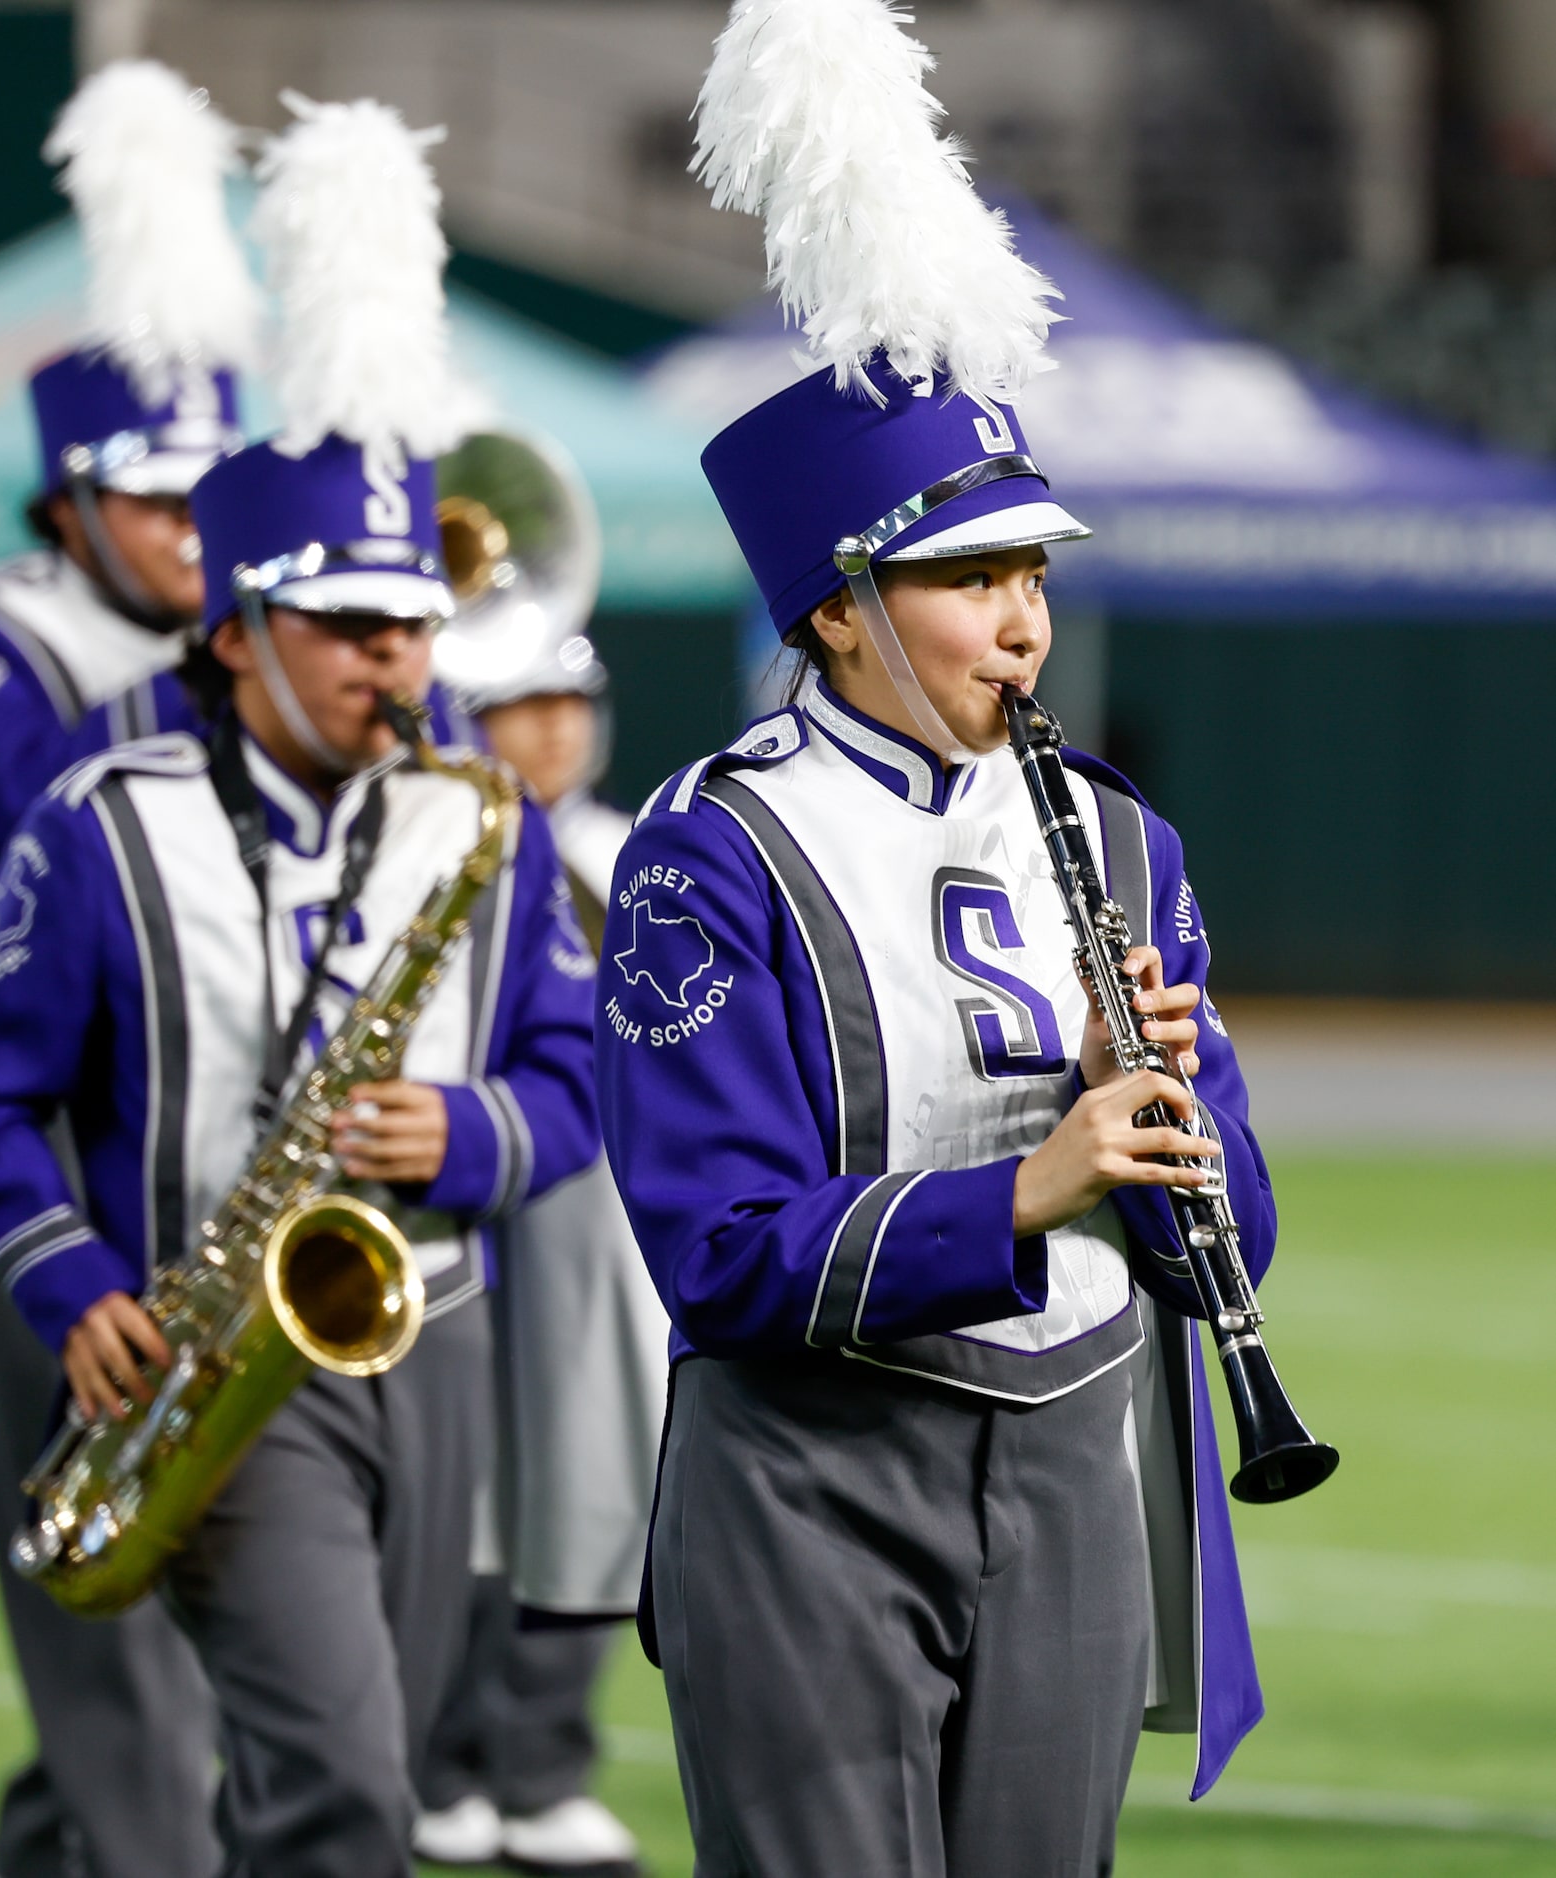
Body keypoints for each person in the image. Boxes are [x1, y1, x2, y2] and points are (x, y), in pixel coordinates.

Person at [594, 4, 1275, 1874]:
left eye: (1032, 569)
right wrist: (1027, 1188)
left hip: (1071, 1457)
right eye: (969, 576)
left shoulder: (1120, 840)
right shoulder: (710, 848)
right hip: (813, 1475)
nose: (1022, 620)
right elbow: (718, 1255)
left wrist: (1171, 1109)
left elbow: (1241, 1230)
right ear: (834, 609)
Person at [0, 93, 600, 1878]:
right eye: (352, 626)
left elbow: (582, 1069)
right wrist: (62, 1274)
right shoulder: (101, 814)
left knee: (352, 1751)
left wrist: (470, 1125)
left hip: (423, 1328)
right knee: (341, 1788)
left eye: (414, 625)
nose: (401, 660)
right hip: (192, 1325)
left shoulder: (475, 823)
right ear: (237, 636)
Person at [0, 61, 258, 1878]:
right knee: (97, 1602)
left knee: (229, 1599)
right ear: (73, 498)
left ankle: (57, 1849)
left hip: (224, 1151)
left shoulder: (238, 652)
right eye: (164, 503)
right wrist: (232, 670)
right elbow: (17, 798)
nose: (201, 537)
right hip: (38, 1152)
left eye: (223, 503)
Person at [415, 452, 664, 1877]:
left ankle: (544, 1761)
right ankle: (438, 1758)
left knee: (589, 1485)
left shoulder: (644, 852)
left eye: (569, 705)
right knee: (464, 1496)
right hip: (476, 1216)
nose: (551, 732)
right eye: (520, 706)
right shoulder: (439, 844)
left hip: (604, 1231)